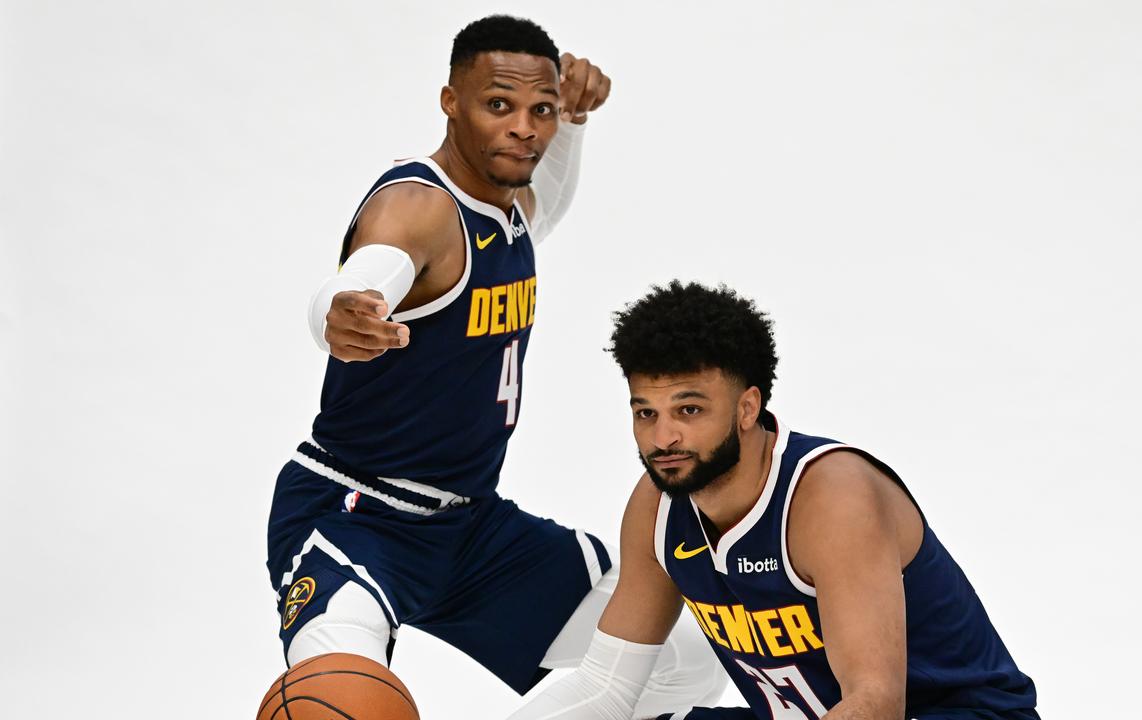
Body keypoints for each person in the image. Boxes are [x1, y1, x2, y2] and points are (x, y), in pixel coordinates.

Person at [265, 16, 724, 717]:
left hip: (472, 529)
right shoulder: (418, 206)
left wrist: (573, 121)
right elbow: (371, 270)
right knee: (340, 700)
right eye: (499, 104)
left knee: (684, 655)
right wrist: (342, 310)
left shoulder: (505, 214)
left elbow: (547, 205)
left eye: (539, 110)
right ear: (451, 102)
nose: (525, 128)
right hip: (356, 514)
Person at [509, 281, 1039, 720]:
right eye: (645, 412)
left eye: (688, 410)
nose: (662, 438)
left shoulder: (831, 498)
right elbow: (605, 687)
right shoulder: (658, 506)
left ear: (747, 407)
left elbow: (875, 704)